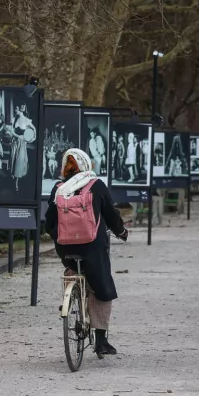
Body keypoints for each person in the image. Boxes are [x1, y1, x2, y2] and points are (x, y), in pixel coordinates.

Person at [46, 148, 129, 355]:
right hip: (92, 245)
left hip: (65, 247)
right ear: (86, 165)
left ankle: (70, 285)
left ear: (65, 167)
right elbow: (110, 214)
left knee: (72, 267)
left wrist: (59, 236)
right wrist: (121, 231)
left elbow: (49, 221)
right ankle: (101, 340)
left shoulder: (59, 188)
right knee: (102, 285)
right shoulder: (96, 186)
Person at [10, 104, 36, 192]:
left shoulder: (26, 120)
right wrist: (18, 136)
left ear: (21, 109)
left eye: (16, 109)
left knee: (19, 161)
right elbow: (11, 131)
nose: (15, 110)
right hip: (14, 143)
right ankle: (13, 178)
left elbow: (34, 129)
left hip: (22, 144)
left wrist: (33, 138)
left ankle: (17, 182)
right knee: (13, 160)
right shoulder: (14, 119)